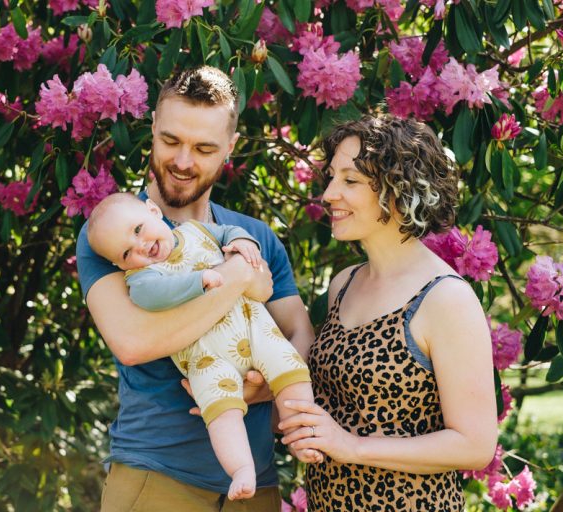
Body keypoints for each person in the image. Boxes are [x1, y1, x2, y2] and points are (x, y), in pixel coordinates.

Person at [76, 66, 315, 511]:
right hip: (156, 479)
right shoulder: (113, 238)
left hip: (257, 486)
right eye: (170, 141)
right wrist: (237, 281)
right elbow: (132, 342)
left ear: (230, 147)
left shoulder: (254, 236)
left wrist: (265, 387)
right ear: (152, 128)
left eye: (204, 148)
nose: (183, 162)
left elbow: (299, 332)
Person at [278, 114, 498, 511]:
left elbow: (476, 444)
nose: (328, 194)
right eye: (331, 177)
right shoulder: (343, 284)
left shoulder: (445, 299)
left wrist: (352, 447)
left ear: (400, 191)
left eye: (350, 180)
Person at [86, 192, 315, 500]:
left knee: (290, 368)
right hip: (207, 359)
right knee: (221, 411)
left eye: (138, 229)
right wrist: (203, 280)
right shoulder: (141, 279)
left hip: (254, 329)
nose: (140, 245)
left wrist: (245, 244)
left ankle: (303, 433)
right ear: (120, 264)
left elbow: (229, 235)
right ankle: (240, 468)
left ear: (154, 212)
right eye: (127, 253)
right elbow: (156, 296)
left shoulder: (197, 230)